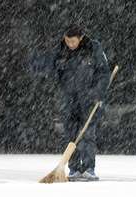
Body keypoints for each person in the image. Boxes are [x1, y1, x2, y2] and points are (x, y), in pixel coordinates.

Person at [30, 24, 110, 181]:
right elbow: (50, 67)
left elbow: (103, 73)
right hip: (68, 98)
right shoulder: (61, 50)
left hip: (89, 98)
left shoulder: (93, 48)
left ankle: (88, 168)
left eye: (73, 41)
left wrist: (97, 93)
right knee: (70, 133)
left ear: (80, 38)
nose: (70, 44)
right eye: (67, 41)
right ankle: (73, 168)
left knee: (87, 133)